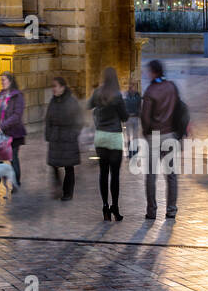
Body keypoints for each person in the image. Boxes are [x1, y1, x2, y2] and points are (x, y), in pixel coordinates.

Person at [140, 58, 185, 220]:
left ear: (154, 72)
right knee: (171, 175)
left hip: (155, 136)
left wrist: (146, 133)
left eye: (148, 71)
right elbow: (179, 109)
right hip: (170, 135)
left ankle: (152, 211)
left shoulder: (150, 91)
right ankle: (171, 210)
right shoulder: (172, 87)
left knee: (151, 175)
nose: (146, 73)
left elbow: (145, 117)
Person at [88, 65, 129, 221]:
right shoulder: (117, 95)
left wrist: (97, 112)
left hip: (100, 137)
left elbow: (88, 105)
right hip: (114, 137)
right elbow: (124, 116)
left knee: (103, 173)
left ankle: (105, 206)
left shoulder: (97, 92)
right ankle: (115, 207)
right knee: (115, 175)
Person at [44, 75, 84, 201]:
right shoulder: (52, 101)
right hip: (55, 138)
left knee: (68, 166)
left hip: (68, 138)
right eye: (52, 86)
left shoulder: (71, 101)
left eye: (55, 86)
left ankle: (68, 193)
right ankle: (57, 188)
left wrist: (73, 134)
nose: (53, 89)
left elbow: (79, 121)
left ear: (62, 87)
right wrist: (49, 134)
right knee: (54, 165)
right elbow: (48, 119)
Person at [0, 72, 26, 188]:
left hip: (14, 132)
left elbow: (17, 115)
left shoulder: (17, 96)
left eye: (4, 80)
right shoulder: (1, 94)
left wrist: (3, 125)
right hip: (1, 132)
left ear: (10, 81)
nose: (2, 82)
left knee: (13, 158)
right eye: (1, 80)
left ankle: (16, 183)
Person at [123, 76, 142, 160]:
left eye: (132, 85)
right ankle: (131, 152)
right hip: (129, 118)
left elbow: (139, 106)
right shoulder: (128, 95)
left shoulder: (135, 95)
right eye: (131, 85)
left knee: (134, 135)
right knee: (129, 135)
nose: (131, 86)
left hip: (134, 118)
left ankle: (133, 152)